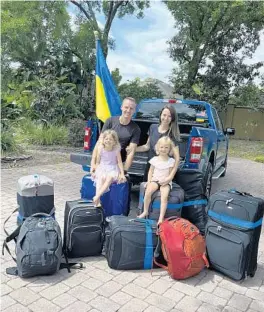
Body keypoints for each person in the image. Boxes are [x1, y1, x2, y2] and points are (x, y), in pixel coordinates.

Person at [126, 104, 180, 182]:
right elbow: (146, 146)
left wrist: (170, 177)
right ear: (160, 115)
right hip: (151, 167)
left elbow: (177, 159)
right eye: (164, 115)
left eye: (169, 116)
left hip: (164, 170)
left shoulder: (172, 134)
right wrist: (133, 149)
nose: (166, 118)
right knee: (146, 190)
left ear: (173, 118)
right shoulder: (153, 127)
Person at [91, 97, 141, 175]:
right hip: (103, 161)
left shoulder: (135, 129)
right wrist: (93, 164)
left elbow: (131, 152)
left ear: (134, 111)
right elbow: (99, 143)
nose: (128, 110)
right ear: (121, 107)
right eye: (126, 107)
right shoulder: (110, 121)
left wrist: (124, 171)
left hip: (119, 163)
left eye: (131, 108)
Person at [138, 136, 176, 225]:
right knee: (148, 192)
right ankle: (145, 211)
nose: (163, 149)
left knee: (164, 196)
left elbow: (170, 174)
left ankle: (161, 217)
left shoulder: (171, 161)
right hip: (155, 180)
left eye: (166, 147)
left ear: (170, 149)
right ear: (158, 148)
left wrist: (166, 181)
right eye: (161, 147)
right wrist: (149, 181)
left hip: (165, 182)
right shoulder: (154, 159)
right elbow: (150, 171)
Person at [91, 130, 126, 207]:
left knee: (110, 177)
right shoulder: (101, 148)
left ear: (114, 141)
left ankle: (97, 197)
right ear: (103, 140)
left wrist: (122, 173)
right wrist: (94, 170)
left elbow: (119, 162)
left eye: (110, 139)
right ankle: (98, 201)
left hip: (112, 168)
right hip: (102, 167)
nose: (108, 141)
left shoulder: (116, 150)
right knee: (100, 178)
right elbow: (98, 162)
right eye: (106, 139)